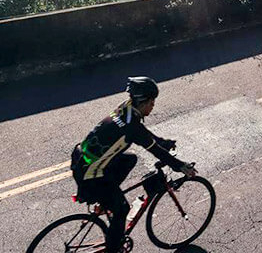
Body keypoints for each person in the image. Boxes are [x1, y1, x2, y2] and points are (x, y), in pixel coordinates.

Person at [70, 76, 196, 253]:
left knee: (130, 159)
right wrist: (181, 166)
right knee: (122, 209)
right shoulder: (132, 127)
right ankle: (114, 249)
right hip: (89, 174)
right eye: (152, 102)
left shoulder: (126, 108)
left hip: (80, 157)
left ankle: (106, 200)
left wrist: (162, 141)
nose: (153, 106)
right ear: (144, 102)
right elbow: (155, 150)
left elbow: (144, 134)